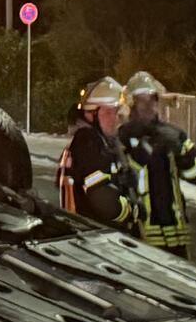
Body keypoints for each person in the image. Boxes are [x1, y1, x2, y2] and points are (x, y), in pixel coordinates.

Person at [119, 71, 196, 257]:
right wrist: (145, 148)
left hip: (176, 230)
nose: (149, 105)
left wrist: (182, 153)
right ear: (132, 104)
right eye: (142, 100)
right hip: (141, 230)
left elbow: (195, 175)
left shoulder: (173, 134)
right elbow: (125, 175)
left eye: (152, 99)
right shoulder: (123, 137)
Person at [56, 77, 138, 229]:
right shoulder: (88, 142)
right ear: (90, 115)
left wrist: (121, 180)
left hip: (85, 236)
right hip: (93, 239)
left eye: (115, 112)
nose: (114, 118)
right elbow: (103, 199)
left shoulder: (91, 142)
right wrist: (131, 210)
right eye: (107, 112)